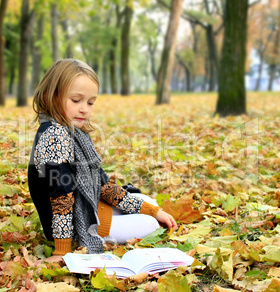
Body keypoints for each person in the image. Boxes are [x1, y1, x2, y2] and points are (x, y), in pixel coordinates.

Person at [28, 59, 177, 256]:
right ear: (50, 96)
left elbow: (102, 185)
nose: (85, 109)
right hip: (72, 227)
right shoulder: (53, 138)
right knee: (149, 224)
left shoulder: (72, 133)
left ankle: (141, 213)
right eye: (76, 100)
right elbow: (60, 197)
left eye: (90, 102)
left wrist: (152, 210)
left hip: (88, 207)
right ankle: (87, 234)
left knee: (147, 203)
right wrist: (62, 252)